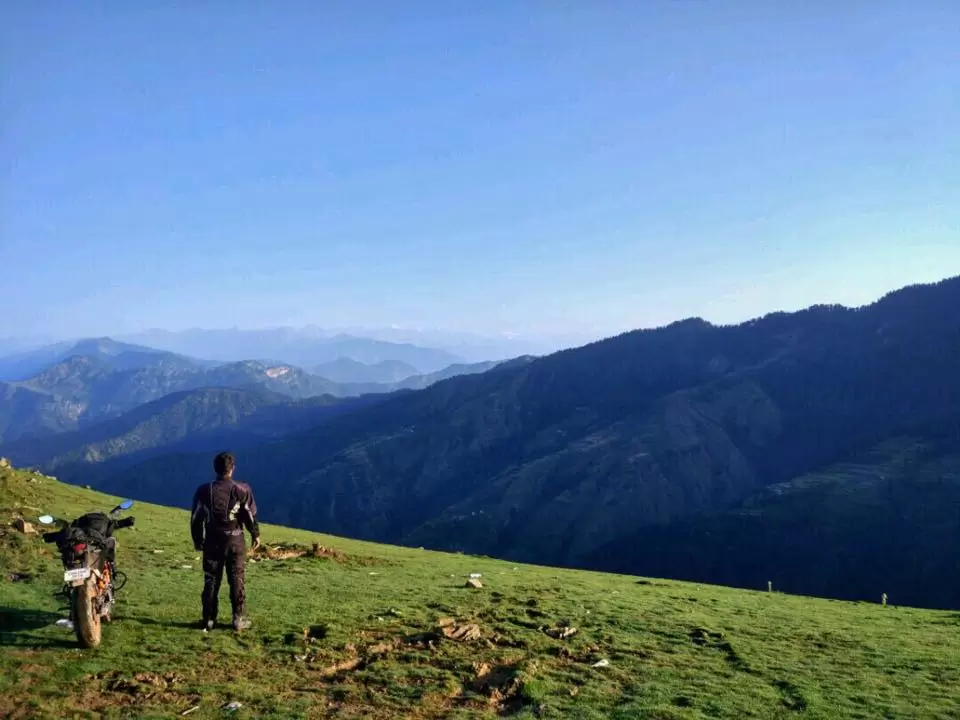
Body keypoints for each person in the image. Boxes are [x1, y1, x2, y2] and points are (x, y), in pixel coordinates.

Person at [190, 451, 261, 631]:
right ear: (233, 469)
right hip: (235, 540)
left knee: (211, 580)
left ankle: (208, 620)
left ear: (215, 469)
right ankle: (238, 619)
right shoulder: (242, 489)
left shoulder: (204, 490)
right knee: (237, 578)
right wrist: (255, 535)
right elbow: (250, 515)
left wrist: (198, 541)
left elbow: (196, 519)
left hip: (212, 540)